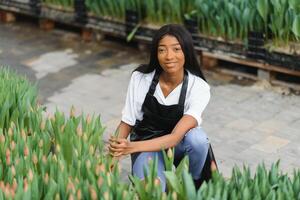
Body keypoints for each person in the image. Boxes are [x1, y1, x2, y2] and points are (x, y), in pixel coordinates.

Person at [109, 24, 216, 191]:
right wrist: (112, 159)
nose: (169, 56)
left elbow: (174, 138)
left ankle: (193, 183)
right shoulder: (141, 79)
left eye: (176, 49)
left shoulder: (198, 87)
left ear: (186, 52)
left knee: (198, 139)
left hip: (179, 145)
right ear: (155, 54)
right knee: (152, 189)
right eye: (162, 50)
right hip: (147, 143)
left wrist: (130, 148)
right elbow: (127, 122)